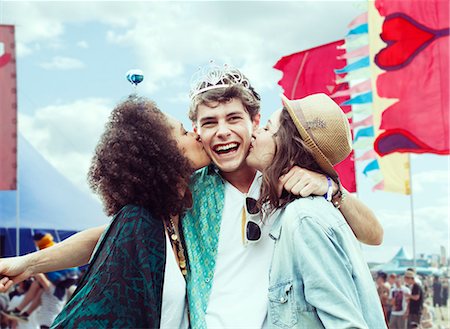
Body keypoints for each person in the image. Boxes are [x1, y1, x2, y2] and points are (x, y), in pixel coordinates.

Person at [0, 65, 383, 328]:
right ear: (198, 131)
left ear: (254, 121)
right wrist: (30, 262)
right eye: (209, 123)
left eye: (233, 119)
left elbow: (373, 234)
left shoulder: (288, 184)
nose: (222, 133)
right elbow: (110, 236)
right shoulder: (191, 190)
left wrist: (333, 190)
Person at [52, 96, 210, 328]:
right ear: (162, 153)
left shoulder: (174, 220)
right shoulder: (138, 221)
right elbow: (91, 314)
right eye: (184, 132)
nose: (196, 134)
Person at [245, 93, 386, 328]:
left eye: (268, 128)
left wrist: (334, 188)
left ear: (289, 147)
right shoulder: (300, 209)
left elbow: (346, 324)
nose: (255, 133)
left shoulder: (304, 218)